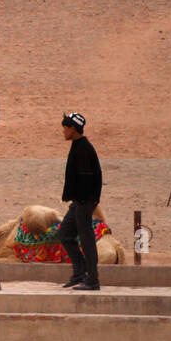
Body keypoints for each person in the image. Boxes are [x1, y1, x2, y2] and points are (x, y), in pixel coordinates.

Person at [59, 112, 102, 290]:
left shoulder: (84, 149)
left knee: (86, 239)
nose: (63, 131)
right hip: (78, 202)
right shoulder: (78, 145)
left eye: (66, 127)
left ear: (74, 129)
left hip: (84, 202)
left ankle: (93, 280)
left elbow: (87, 179)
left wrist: (83, 203)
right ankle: (79, 273)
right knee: (65, 234)